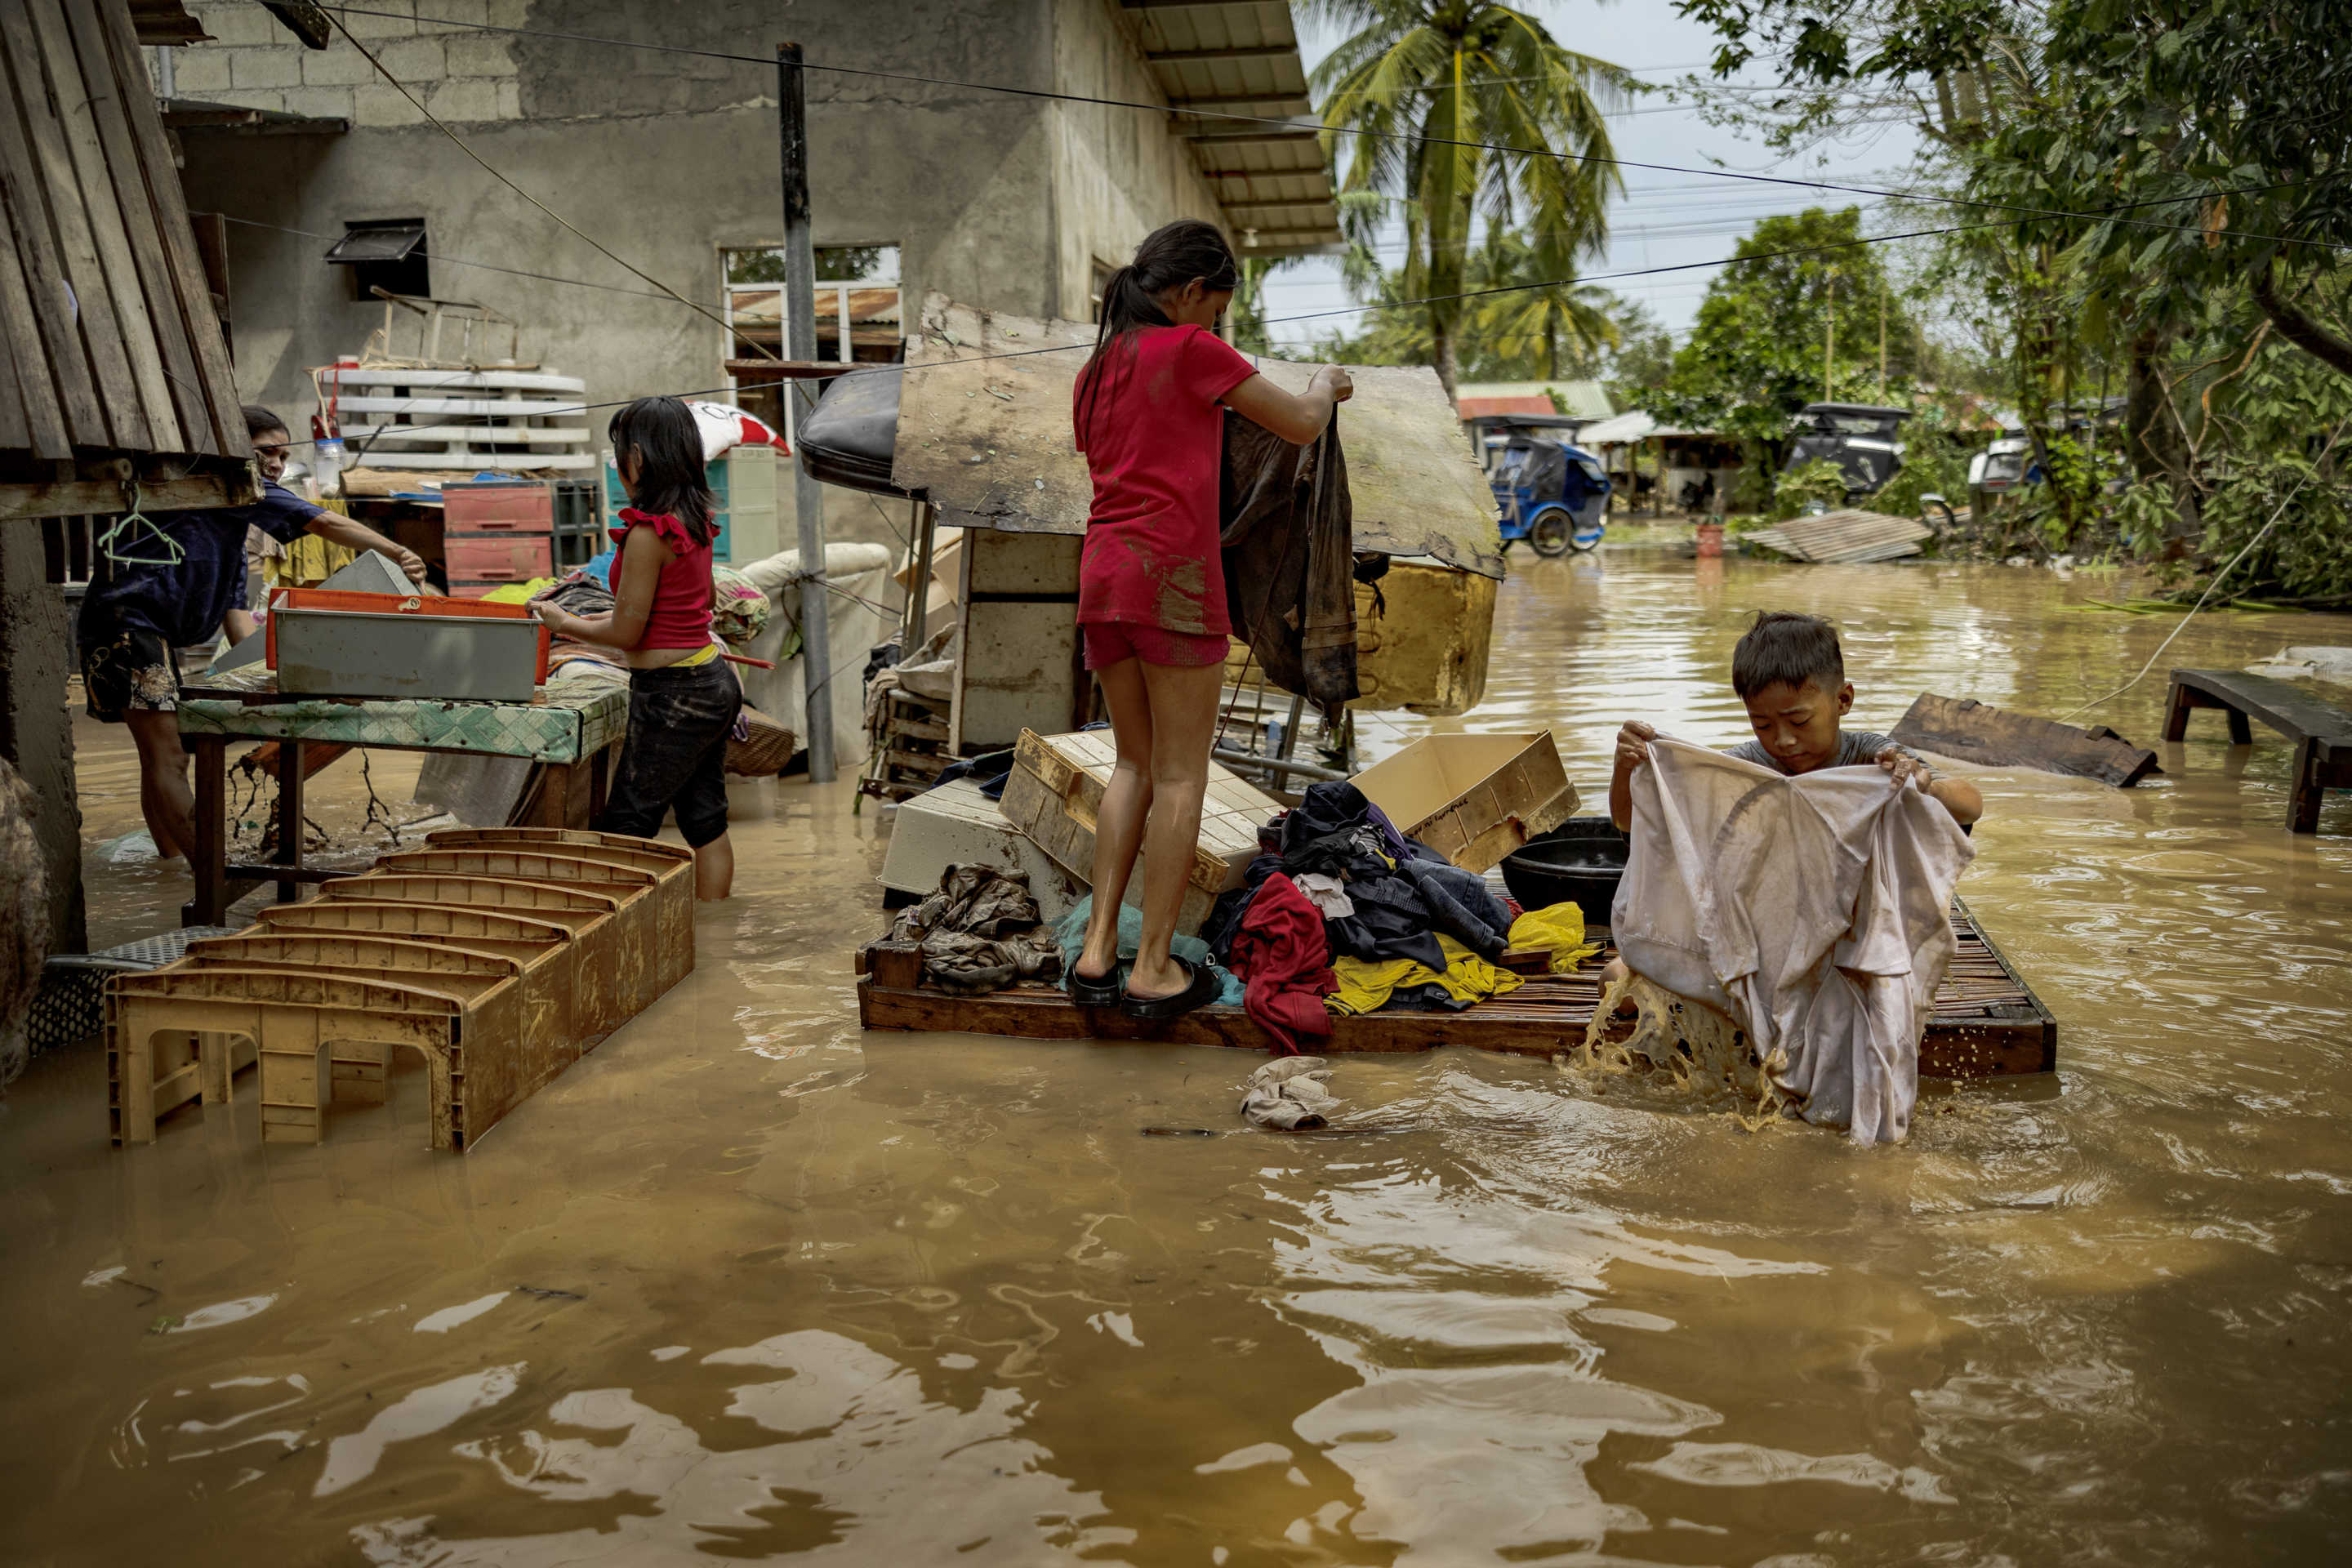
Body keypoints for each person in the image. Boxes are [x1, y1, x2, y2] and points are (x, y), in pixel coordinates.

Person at [1065, 218, 1353, 1018]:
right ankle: (1153, 966)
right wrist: (1326, 385)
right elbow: (1298, 423)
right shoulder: (1191, 352)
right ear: (1192, 292)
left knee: (1132, 766)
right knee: (1184, 772)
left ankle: (1097, 956)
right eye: (1216, 309)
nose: (1215, 325)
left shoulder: (1095, 370)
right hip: (1174, 580)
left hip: (1103, 576)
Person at [77, 403, 426, 862]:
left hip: (145, 631)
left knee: (158, 757)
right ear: (234, 451)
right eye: (268, 452)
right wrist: (398, 551)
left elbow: (237, 617)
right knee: (171, 758)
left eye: (283, 455)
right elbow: (324, 521)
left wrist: (276, 681)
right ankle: (210, 874)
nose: (277, 465)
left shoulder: (231, 534)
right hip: (126, 624)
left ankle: (171, 864)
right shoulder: (230, 484)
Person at [532, 397, 740, 901]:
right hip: (710, 682)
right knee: (704, 820)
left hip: (675, 696)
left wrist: (563, 620)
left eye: (618, 450)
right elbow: (680, 610)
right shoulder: (694, 520)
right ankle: (717, 933)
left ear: (640, 458)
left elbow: (628, 633)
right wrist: (585, 621)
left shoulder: (648, 533)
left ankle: (618, 945)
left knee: (627, 823)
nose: (617, 460)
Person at [1607, 609, 1983, 830]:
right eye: (1763, 725)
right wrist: (1625, 768)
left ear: (1843, 700)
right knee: (1616, 970)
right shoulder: (1742, 767)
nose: (1783, 740)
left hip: (1862, 913)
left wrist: (1924, 786)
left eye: (1799, 722)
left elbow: (1970, 805)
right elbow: (1630, 824)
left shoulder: (1873, 757)